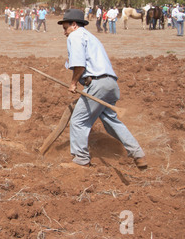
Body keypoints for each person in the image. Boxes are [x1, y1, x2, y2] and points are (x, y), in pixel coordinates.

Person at [57, 9, 147, 169]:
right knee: (111, 121)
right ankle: (138, 154)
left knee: (78, 120)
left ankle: (81, 159)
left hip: (97, 83)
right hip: (110, 83)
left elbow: (79, 64)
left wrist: (73, 83)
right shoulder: (90, 37)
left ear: (74, 25)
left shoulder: (75, 36)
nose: (64, 32)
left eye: (65, 28)